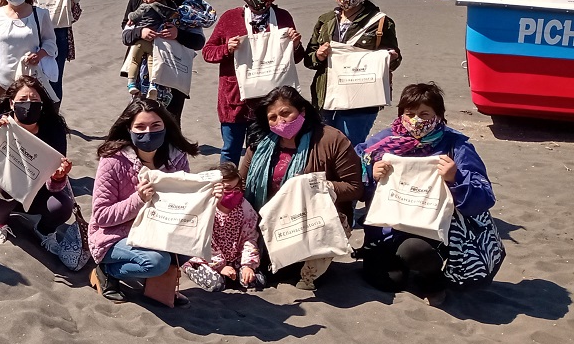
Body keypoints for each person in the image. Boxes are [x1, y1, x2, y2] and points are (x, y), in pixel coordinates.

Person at [355, 82, 495, 303]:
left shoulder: (455, 145)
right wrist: (370, 175)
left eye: (424, 113)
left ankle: (433, 277)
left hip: (430, 228)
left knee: (417, 251)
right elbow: (355, 183)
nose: (416, 121)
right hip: (386, 228)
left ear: (438, 115)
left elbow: (484, 196)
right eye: (409, 114)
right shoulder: (379, 144)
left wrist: (455, 178)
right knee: (390, 281)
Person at [238, 85, 362, 286]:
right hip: (268, 218)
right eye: (273, 117)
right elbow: (242, 183)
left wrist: (318, 187)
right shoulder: (260, 141)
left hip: (311, 220)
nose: (280, 121)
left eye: (285, 113)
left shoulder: (331, 139)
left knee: (294, 271)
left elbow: (355, 187)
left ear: (301, 111)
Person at [88, 98, 200, 303]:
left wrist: (210, 196)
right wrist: (138, 199)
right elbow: (102, 216)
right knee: (156, 262)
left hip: (158, 231)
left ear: (166, 126)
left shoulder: (176, 158)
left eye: (155, 125)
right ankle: (107, 272)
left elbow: (186, 201)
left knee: (189, 249)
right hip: (114, 235)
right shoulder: (113, 160)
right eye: (140, 127)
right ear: (129, 129)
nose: (148, 132)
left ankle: (159, 286)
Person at [0, 75, 75, 253]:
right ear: (12, 103)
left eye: (34, 99)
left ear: (42, 104)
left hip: (37, 188)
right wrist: (0, 138)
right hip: (1, 184)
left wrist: (59, 176)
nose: (29, 103)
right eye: (22, 99)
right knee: (2, 187)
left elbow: (53, 175)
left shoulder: (54, 128)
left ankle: (44, 230)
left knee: (62, 206)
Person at [202, 0, 305, 164]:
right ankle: (228, 189)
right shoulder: (230, 18)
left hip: (270, 101)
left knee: (263, 150)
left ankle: (255, 189)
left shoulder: (282, 17)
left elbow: (296, 57)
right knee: (231, 149)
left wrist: (296, 45)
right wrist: (227, 48)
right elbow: (208, 52)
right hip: (235, 100)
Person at [304, 0, 402, 145]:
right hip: (324, 97)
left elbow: (395, 59)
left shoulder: (380, 22)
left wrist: (392, 58)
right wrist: (317, 56)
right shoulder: (325, 20)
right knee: (321, 147)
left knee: (350, 148)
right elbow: (308, 59)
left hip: (361, 99)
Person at [121, 0, 208, 119]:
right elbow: (126, 36)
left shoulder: (187, 15)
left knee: (172, 120)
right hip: (144, 78)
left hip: (175, 75)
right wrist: (140, 32)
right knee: (142, 117)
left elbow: (199, 42)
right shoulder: (147, 10)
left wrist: (178, 34)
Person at [181, 161, 264, 292]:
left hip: (234, 257)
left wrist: (248, 265)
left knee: (255, 281)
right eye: (227, 188)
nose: (233, 192)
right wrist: (219, 266)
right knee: (216, 284)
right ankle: (190, 268)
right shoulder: (205, 209)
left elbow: (250, 237)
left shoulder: (245, 208)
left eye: (237, 188)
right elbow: (204, 241)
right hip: (206, 258)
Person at [28, 0, 82, 100]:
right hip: (35, 34)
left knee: (54, 77)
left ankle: (53, 113)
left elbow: (75, 16)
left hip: (60, 35)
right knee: (33, 76)